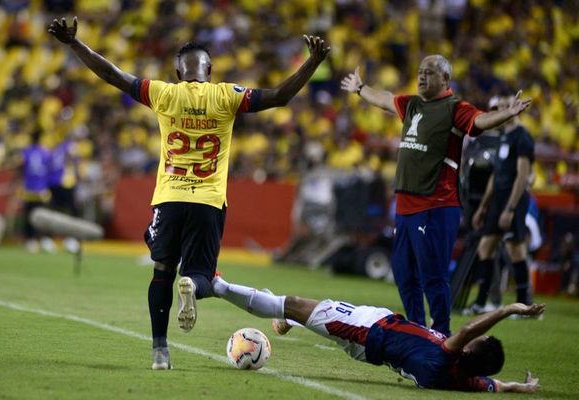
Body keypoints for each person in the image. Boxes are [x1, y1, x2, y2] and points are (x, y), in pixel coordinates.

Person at [48, 17, 330, 370]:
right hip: (208, 202)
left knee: (161, 270)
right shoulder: (227, 95)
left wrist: (75, 44)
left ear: (179, 73)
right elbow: (280, 96)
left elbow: (112, 75)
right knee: (200, 275)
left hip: (169, 198)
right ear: (209, 70)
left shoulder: (163, 93)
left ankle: (159, 352)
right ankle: (192, 287)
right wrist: (313, 61)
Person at [340, 56, 531, 335]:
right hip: (405, 204)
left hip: (436, 204)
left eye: (428, 73)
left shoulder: (455, 108)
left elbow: (482, 120)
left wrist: (507, 114)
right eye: (419, 72)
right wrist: (360, 88)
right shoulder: (412, 104)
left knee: (432, 274)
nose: (421, 77)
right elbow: (384, 99)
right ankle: (417, 331)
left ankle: (441, 333)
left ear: (445, 79)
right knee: (404, 274)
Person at [212, 275, 543, 393]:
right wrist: (523, 387)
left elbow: (472, 327)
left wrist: (510, 309)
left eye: (477, 341)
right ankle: (292, 320)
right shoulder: (463, 379)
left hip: (366, 331)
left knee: (291, 303)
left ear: (470, 351)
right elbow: (496, 385)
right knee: (297, 311)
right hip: (372, 338)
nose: (471, 336)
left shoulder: (448, 357)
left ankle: (215, 285)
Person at [467, 95, 535, 313]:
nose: (504, 111)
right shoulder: (503, 136)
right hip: (497, 199)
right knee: (485, 247)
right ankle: (482, 302)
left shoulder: (522, 137)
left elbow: (522, 176)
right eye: (501, 108)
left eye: (507, 107)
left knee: (515, 248)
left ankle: (525, 305)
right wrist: (483, 206)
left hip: (513, 199)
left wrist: (510, 208)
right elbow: (495, 177)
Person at [20, 128, 53, 253]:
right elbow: (50, 170)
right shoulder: (46, 152)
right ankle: (43, 240)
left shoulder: (26, 152)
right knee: (43, 216)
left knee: (29, 216)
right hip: (41, 189)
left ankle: (30, 240)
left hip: (29, 189)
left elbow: (22, 168)